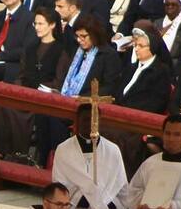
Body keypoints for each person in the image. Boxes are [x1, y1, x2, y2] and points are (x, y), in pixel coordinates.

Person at [37, 14, 120, 167]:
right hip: (68, 99)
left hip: (87, 105)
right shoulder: (78, 51)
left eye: (84, 36)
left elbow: (109, 87)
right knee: (44, 113)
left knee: (55, 119)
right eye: (77, 36)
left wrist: (82, 97)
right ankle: (42, 162)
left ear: (94, 34)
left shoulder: (108, 55)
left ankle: (62, 164)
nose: (79, 40)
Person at [0, 6, 64, 163]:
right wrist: (18, 89)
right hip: (26, 93)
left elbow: (59, 79)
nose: (37, 27)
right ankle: (6, 152)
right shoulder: (31, 47)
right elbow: (21, 74)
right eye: (36, 24)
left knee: (17, 111)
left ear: (52, 25)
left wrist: (41, 90)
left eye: (41, 24)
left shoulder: (61, 50)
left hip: (44, 98)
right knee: (4, 106)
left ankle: (20, 155)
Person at [155, 0, 181, 68]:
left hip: (175, 66)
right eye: (167, 5)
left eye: (173, 4)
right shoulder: (157, 23)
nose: (170, 7)